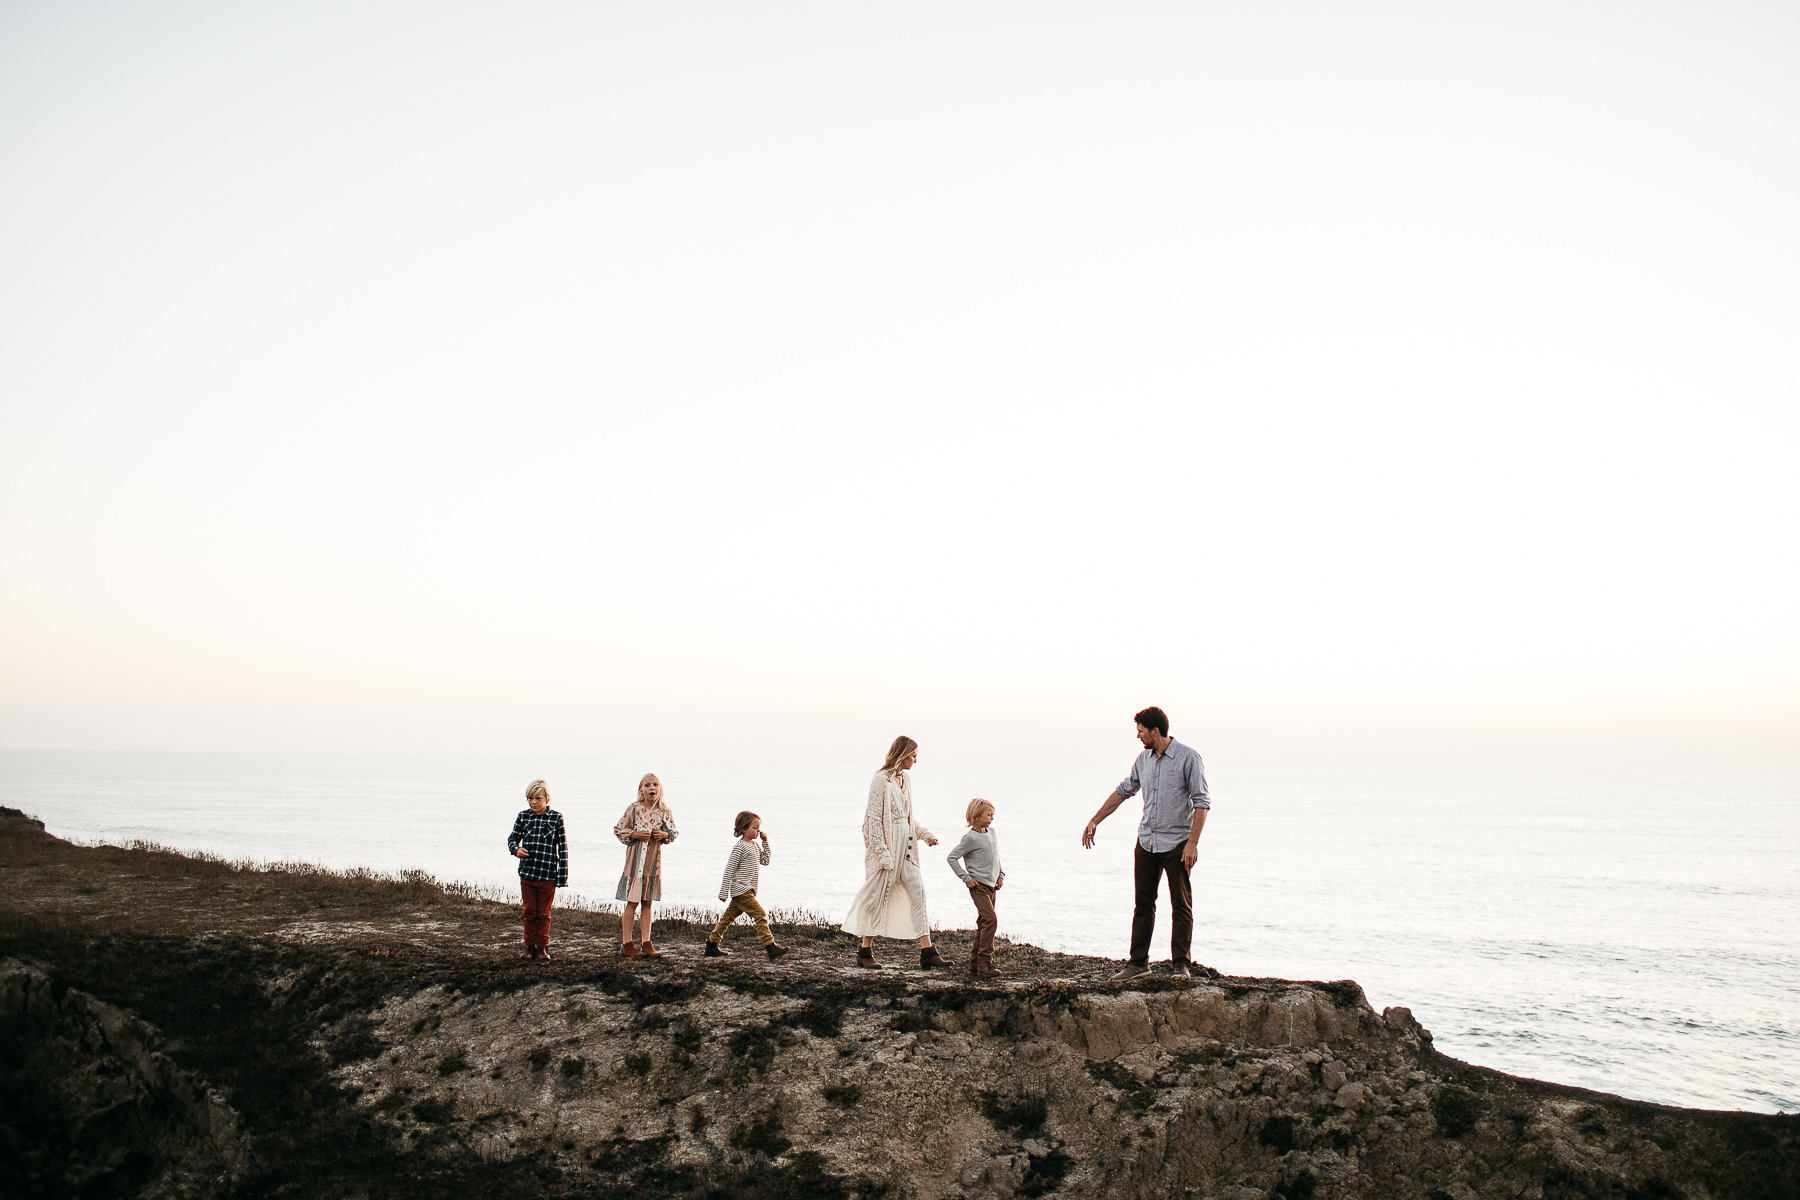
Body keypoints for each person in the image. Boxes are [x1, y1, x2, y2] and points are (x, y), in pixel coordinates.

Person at [1081, 706, 1211, 980]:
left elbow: (1202, 802)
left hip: (1177, 843)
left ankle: (1181, 966)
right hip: (1147, 842)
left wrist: (1192, 844)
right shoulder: (1143, 760)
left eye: (1141, 731)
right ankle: (1138, 964)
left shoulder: (1188, 758)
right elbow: (1123, 790)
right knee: (1143, 904)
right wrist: (1095, 820)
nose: (1138, 736)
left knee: (1181, 905)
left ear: (1155, 731)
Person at [843, 736, 952, 970]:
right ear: (902, 754)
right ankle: (865, 950)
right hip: (888, 848)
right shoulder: (880, 780)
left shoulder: (907, 780)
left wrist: (924, 834)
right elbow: (872, 820)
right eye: (913, 755)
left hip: (908, 847)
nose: (915, 760)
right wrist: (882, 853)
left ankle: (927, 951)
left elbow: (908, 816)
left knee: (918, 892)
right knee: (877, 897)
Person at [704, 810, 788, 961]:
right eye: (755, 827)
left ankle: (712, 944)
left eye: (758, 827)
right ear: (743, 829)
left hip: (747, 890)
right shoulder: (739, 847)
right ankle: (770, 947)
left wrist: (765, 842)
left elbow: (766, 861)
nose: (758, 831)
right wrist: (723, 892)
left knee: (727, 918)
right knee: (760, 915)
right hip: (741, 890)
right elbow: (729, 869)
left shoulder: (755, 846)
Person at [614, 773, 678, 959]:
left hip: (652, 864)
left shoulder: (665, 811)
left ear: (660, 789)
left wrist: (663, 836)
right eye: (647, 785)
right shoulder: (634, 808)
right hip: (634, 864)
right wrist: (634, 835)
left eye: (655, 785)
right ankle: (626, 944)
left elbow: (673, 832)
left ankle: (646, 942)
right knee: (632, 902)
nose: (652, 788)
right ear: (641, 790)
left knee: (647, 903)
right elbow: (619, 829)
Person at [506, 779, 568, 961]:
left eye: (537, 798)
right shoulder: (523, 817)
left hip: (548, 875)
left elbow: (562, 848)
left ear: (546, 798)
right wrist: (515, 850)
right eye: (530, 798)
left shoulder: (556, 818)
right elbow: (512, 838)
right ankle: (529, 947)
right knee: (529, 911)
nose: (533, 802)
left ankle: (542, 948)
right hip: (527, 874)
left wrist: (562, 877)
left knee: (544, 913)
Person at [945, 798, 1004, 978]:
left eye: (992, 815)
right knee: (990, 920)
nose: (991, 818)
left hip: (992, 885)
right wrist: (966, 878)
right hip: (979, 886)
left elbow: (996, 856)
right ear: (976, 816)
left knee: (983, 923)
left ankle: (975, 962)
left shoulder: (991, 833)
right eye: (988, 815)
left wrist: (1001, 875)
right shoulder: (970, 838)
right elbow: (952, 858)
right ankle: (985, 962)